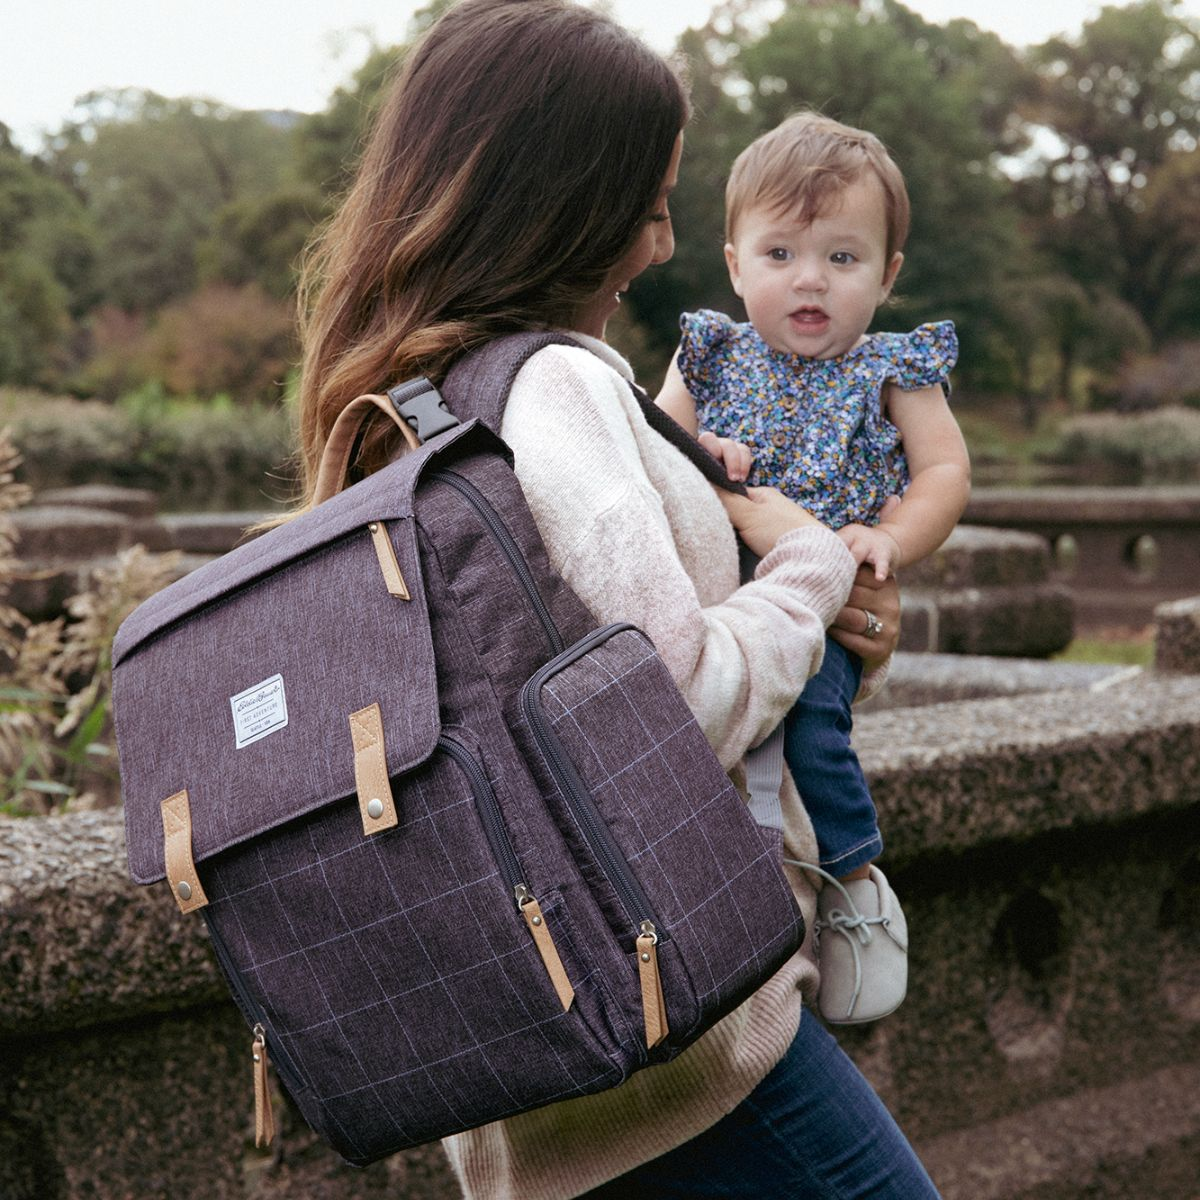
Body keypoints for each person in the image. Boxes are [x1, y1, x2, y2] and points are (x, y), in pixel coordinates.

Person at [294, 2, 941, 1196]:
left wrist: (838, 629)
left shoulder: (390, 409)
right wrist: (813, 569)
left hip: (525, 1056)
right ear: (568, 201)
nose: (658, 244)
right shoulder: (558, 389)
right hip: (685, 1046)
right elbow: (672, 700)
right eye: (648, 203)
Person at [657, 112, 971, 1026]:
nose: (809, 279)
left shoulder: (895, 369)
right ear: (734, 262)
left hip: (827, 591)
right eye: (782, 252)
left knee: (812, 728)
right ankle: (744, 879)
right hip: (718, 587)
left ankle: (851, 874)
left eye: (843, 258)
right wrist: (701, 447)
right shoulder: (710, 352)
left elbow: (945, 473)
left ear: (887, 274)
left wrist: (891, 540)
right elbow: (653, 441)